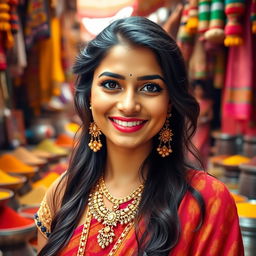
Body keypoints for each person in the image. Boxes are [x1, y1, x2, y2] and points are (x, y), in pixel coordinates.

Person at [35, 16, 244, 256]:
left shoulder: (207, 203)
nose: (128, 105)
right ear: (89, 95)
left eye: (150, 88)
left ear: (170, 103)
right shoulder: (63, 193)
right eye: (112, 84)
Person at [191, 80, 213, 168]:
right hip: (193, 128)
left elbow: (210, 116)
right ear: (194, 90)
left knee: (202, 148)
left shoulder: (208, 102)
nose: (199, 91)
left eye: (201, 89)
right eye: (197, 89)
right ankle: (193, 169)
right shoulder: (191, 102)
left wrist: (203, 120)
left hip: (203, 129)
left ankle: (202, 169)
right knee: (193, 149)